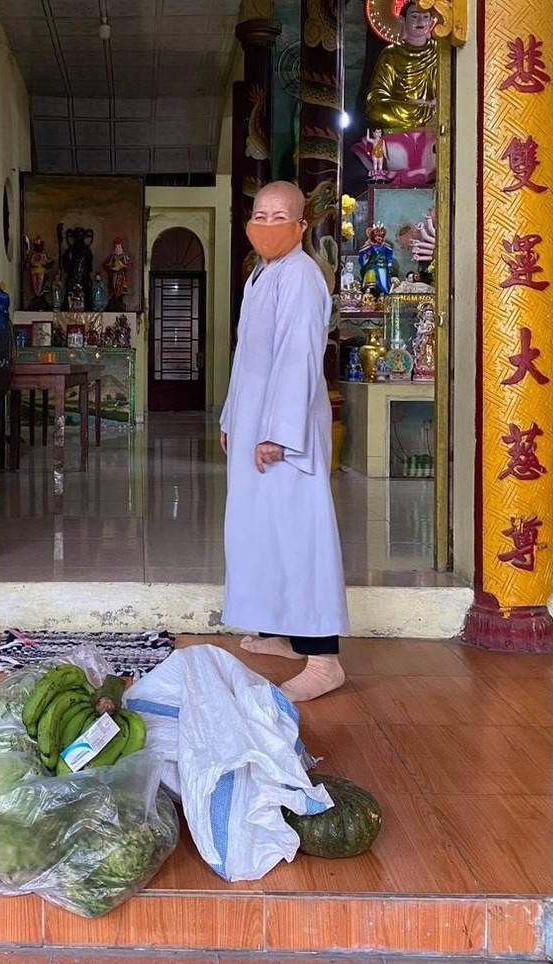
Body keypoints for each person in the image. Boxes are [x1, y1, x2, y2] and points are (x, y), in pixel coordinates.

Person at [219, 181, 348, 703]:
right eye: (260, 215)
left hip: (282, 435)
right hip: (255, 425)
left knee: (300, 535)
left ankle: (323, 659)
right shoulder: (262, 273)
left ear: (301, 226)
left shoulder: (300, 276)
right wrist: (233, 418)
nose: (267, 225)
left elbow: (297, 359)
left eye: (280, 217)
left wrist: (276, 434)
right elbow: (248, 358)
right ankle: (286, 635)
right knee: (264, 530)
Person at [364, 0, 437, 133]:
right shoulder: (390, 53)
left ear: (432, 21)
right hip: (405, 110)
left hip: (431, 111)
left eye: (425, 17)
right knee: (377, 111)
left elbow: (445, 93)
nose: (420, 21)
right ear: (402, 20)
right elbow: (375, 97)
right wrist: (414, 105)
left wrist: (431, 104)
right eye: (414, 16)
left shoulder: (438, 53)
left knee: (446, 111)